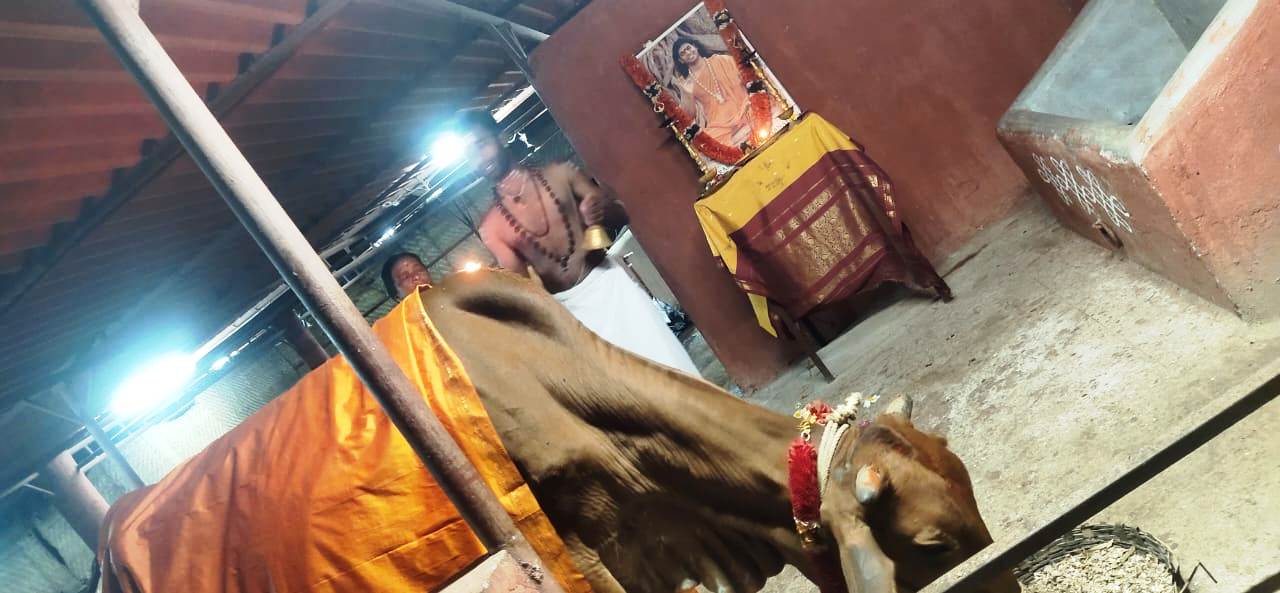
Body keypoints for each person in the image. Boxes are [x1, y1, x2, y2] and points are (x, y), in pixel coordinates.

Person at [460, 113, 701, 377]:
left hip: (611, 285)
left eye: (481, 144)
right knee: (625, 392)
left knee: (672, 370)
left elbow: (621, 215)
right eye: (469, 154)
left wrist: (599, 210)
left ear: (502, 135)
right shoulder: (492, 227)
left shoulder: (561, 173)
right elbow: (525, 290)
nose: (479, 159)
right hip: (571, 314)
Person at [670, 37, 752, 147]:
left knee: (754, 107)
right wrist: (685, 92)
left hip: (742, 106)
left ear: (696, 46)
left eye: (688, 48)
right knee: (708, 143)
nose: (688, 53)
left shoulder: (721, 60)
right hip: (719, 123)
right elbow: (690, 114)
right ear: (681, 60)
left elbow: (743, 75)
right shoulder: (688, 84)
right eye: (683, 53)